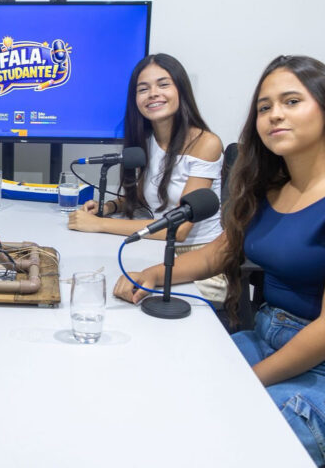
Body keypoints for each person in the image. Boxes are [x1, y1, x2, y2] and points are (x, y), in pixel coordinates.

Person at [113, 55, 325, 465]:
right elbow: (220, 252)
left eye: (292, 101)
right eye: (264, 107)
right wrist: (151, 274)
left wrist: (246, 383)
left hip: (315, 366)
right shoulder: (270, 189)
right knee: (154, 394)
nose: (275, 115)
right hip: (263, 339)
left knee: (228, 441)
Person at [67, 53, 226, 301]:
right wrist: (109, 207)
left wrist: (99, 225)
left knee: (113, 295)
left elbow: (180, 229)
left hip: (197, 262)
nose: (153, 94)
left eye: (163, 85)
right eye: (143, 89)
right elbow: (148, 196)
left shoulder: (206, 143)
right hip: (157, 249)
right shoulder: (148, 140)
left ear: (181, 90)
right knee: (89, 283)